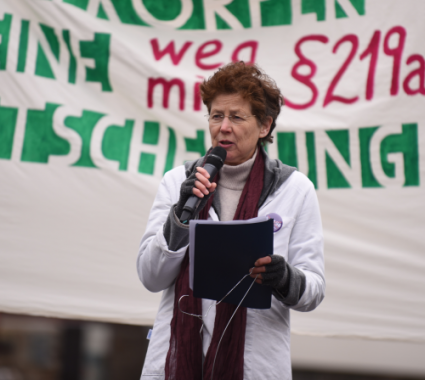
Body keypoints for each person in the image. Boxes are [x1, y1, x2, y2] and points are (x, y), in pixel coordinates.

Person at [136, 62, 325, 380]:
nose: (223, 127)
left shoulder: (296, 190)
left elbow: (314, 291)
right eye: (216, 116)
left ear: (264, 126)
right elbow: (151, 276)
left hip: (254, 367)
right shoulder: (178, 182)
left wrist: (284, 279)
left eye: (236, 117)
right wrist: (181, 217)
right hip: (175, 363)